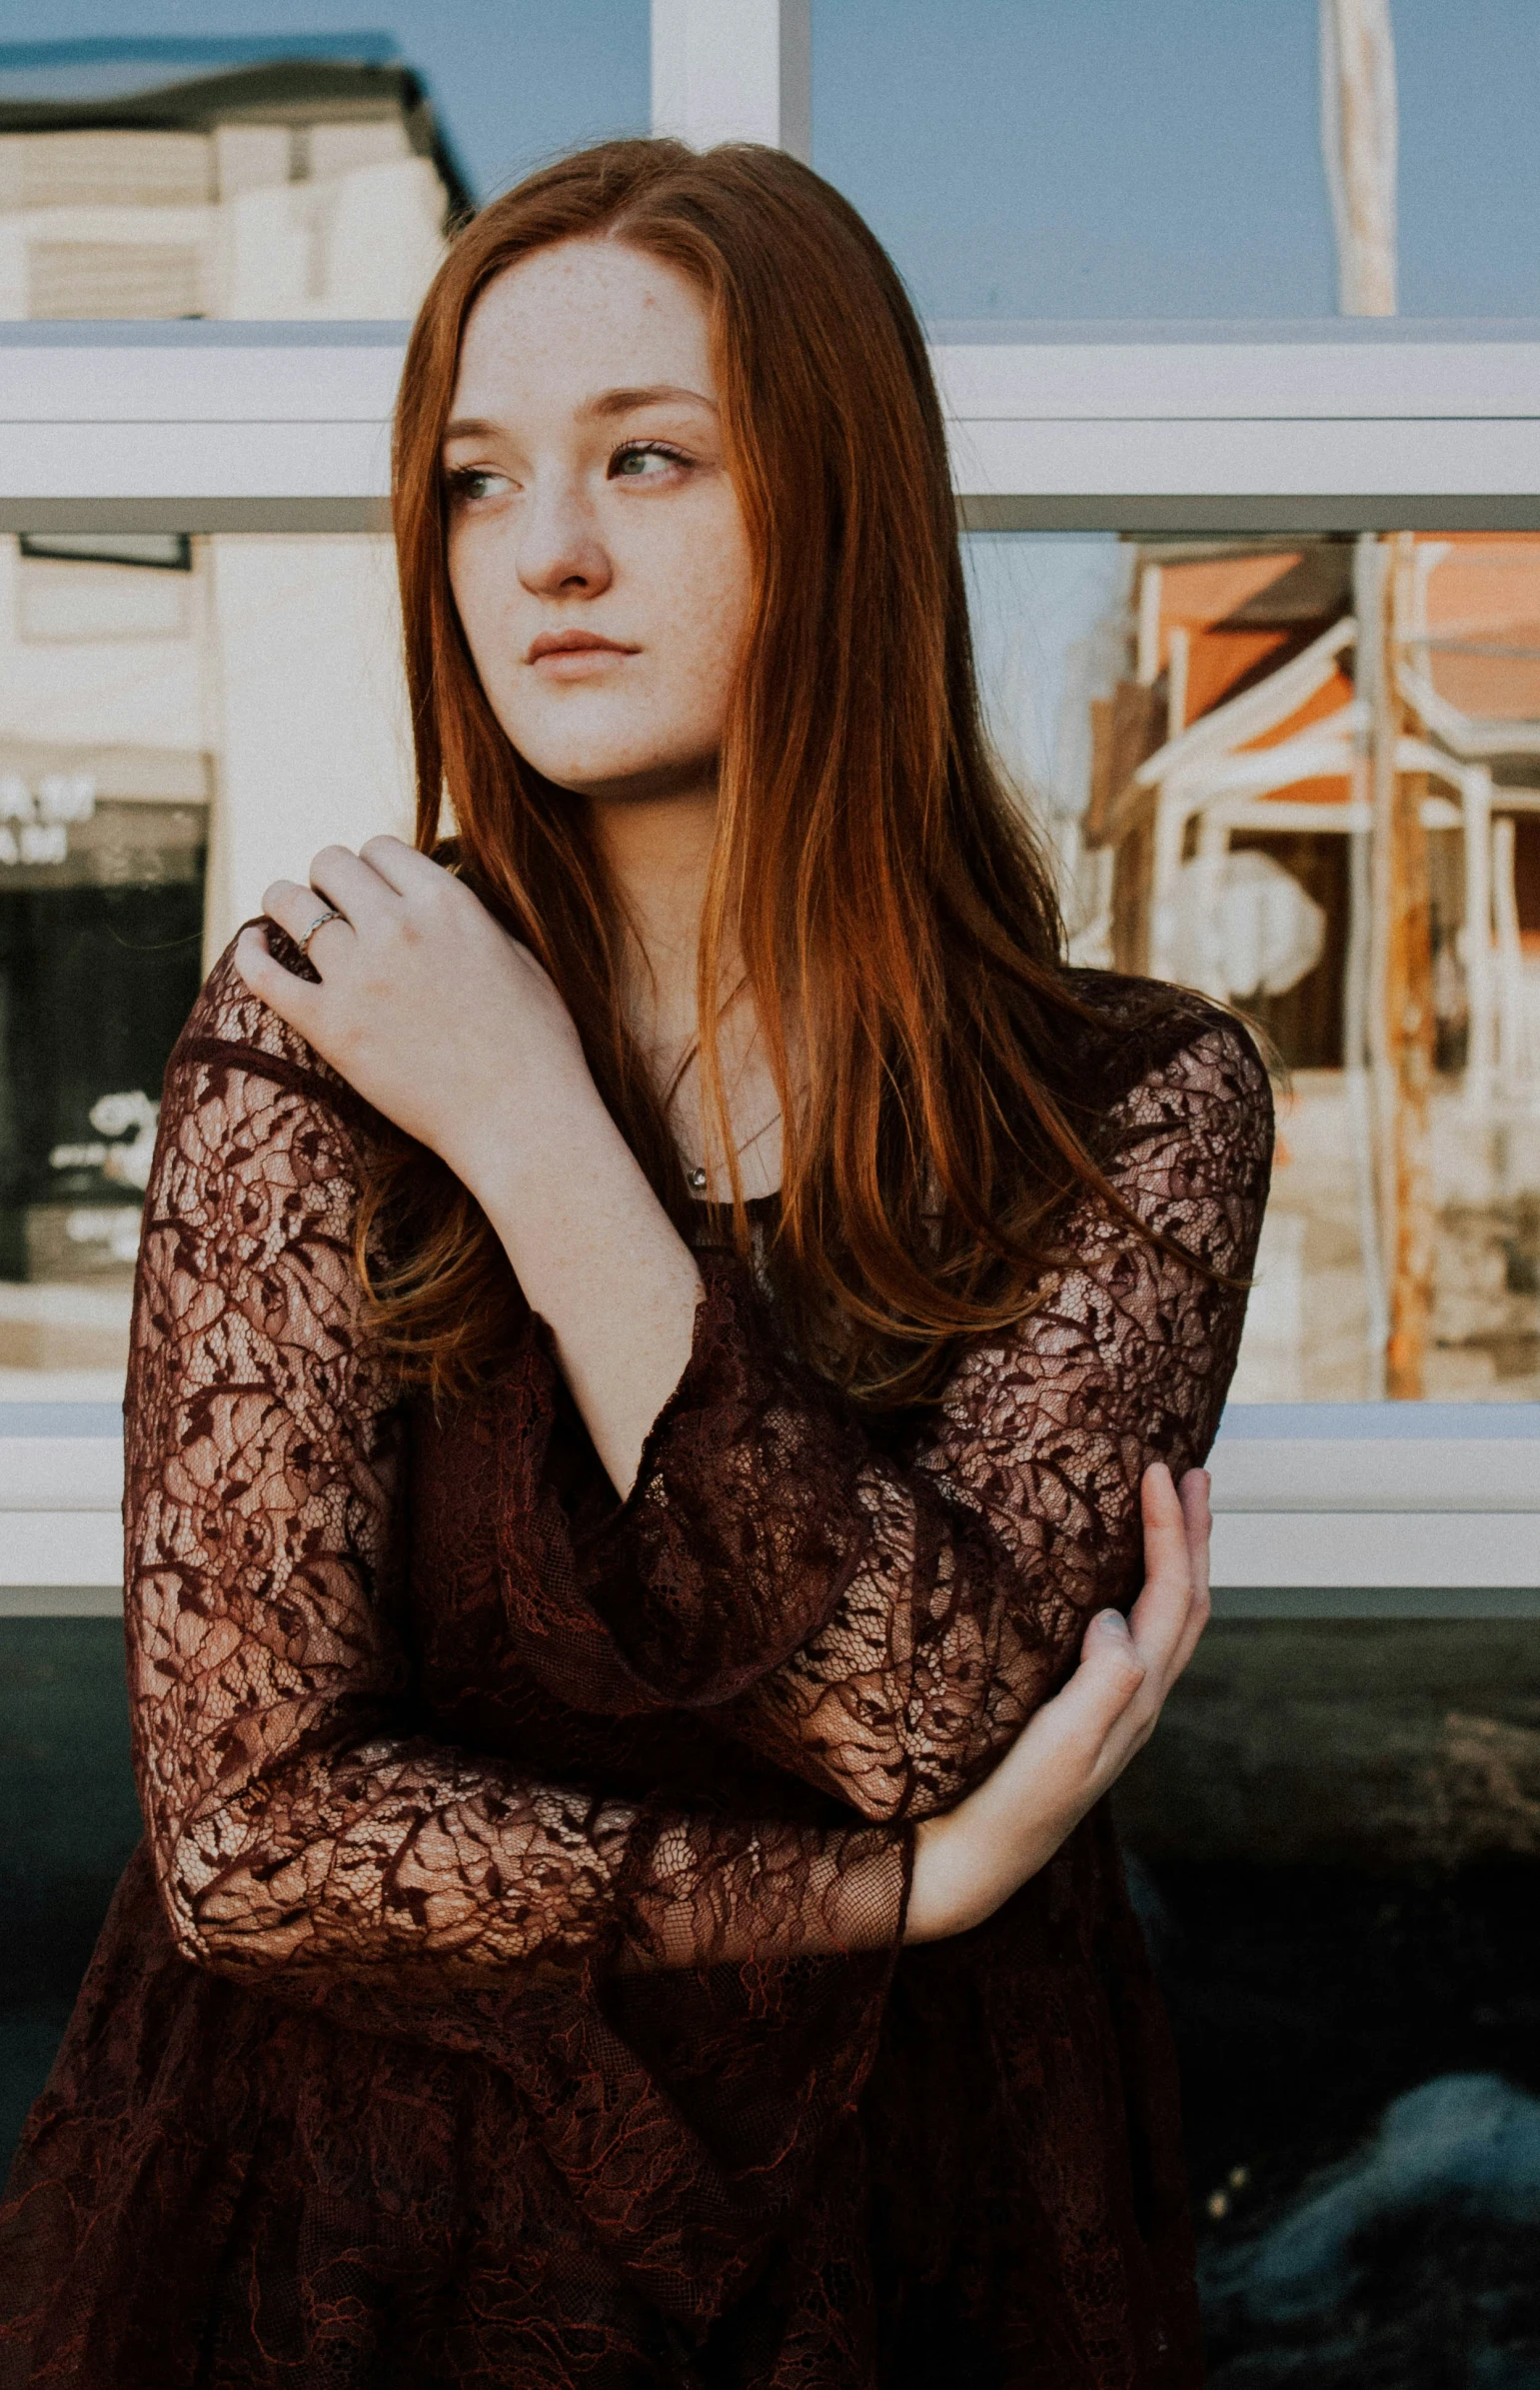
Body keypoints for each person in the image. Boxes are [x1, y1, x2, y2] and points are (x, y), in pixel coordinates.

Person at [0, 139, 1271, 2389]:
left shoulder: (1130, 1099)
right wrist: (901, 1891)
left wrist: (534, 1130)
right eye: (477, 482)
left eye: (647, 459)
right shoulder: (320, 1018)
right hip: (364, 2246)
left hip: (918, 2230)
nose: (545, 554)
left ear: (842, 505)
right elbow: (254, 1838)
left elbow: (916, 1706)